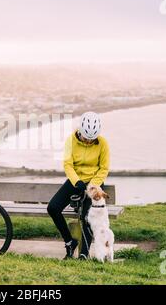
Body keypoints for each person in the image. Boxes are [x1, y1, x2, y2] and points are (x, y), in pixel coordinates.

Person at [47, 111, 110, 260]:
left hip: (94, 183)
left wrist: (93, 185)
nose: (88, 141)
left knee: (87, 217)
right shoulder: (71, 141)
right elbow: (68, 165)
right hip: (76, 180)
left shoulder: (103, 143)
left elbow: (104, 168)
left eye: (92, 139)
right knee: (53, 207)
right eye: (86, 138)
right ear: (80, 131)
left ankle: (84, 253)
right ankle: (70, 242)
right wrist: (78, 182)